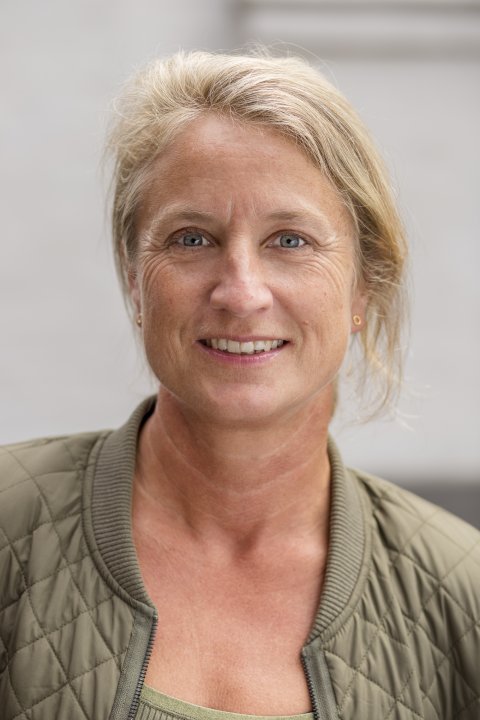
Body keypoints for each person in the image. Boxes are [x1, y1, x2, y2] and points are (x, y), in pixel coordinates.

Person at [0, 50, 478, 720]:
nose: (241, 292)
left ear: (363, 286)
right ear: (135, 280)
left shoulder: (462, 596)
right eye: (192, 239)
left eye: (290, 240)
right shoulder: (10, 529)